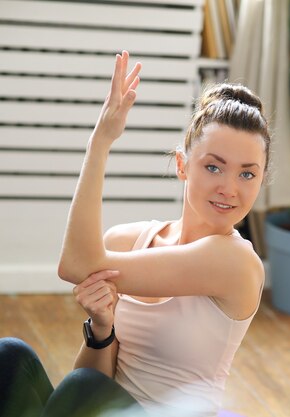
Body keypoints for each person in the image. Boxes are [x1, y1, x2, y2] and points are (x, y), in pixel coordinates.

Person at [0, 51, 268, 417]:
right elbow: (94, 379)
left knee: (82, 388)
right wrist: (102, 328)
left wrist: (100, 142)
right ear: (182, 165)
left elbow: (75, 264)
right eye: (213, 167)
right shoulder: (129, 242)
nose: (229, 188)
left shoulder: (235, 262)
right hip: (113, 408)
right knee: (11, 356)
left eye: (247, 174)